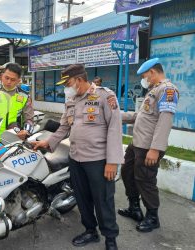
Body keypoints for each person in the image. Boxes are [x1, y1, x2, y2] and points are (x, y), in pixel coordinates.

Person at [32, 64, 123, 250]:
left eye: (68, 83)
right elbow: (64, 127)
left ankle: (110, 238)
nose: (66, 87)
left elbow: (115, 129)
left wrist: (112, 162)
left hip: (98, 161)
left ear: (79, 80)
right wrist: (48, 142)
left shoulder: (105, 96)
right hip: (76, 159)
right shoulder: (72, 100)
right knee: (82, 198)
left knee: (103, 199)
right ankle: (90, 231)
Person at [118, 58, 179, 233]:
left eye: (145, 76)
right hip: (137, 143)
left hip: (149, 146)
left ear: (152, 72)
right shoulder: (153, 90)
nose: (145, 80)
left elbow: (165, 120)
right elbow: (140, 116)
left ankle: (152, 217)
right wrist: (115, 115)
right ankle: (134, 208)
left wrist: (155, 148)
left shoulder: (168, 90)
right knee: (127, 172)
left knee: (145, 180)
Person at [0, 62, 34, 140]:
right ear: (1, 77)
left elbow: (29, 119)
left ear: (18, 81)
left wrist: (26, 131)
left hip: (13, 138)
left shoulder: (24, 96)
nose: (9, 82)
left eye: (13, 79)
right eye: (6, 78)